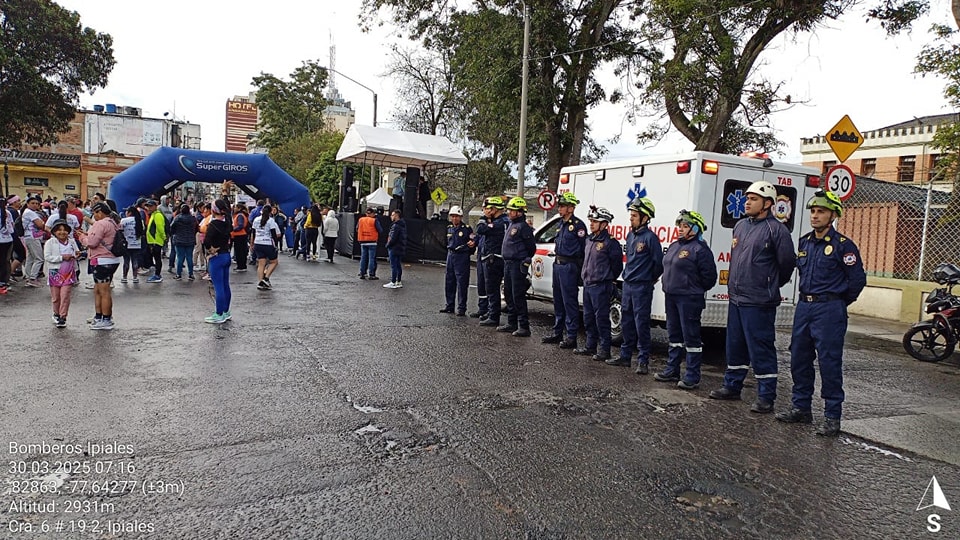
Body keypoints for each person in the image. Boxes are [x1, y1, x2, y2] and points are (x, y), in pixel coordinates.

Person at [776, 190, 866, 436]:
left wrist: (836, 302)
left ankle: (832, 416)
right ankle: (801, 408)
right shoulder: (804, 242)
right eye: (813, 211)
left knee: (829, 362)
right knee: (799, 358)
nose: (815, 216)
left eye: (821, 212)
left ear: (833, 215)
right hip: (805, 307)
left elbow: (856, 280)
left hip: (829, 309)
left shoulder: (843, 246)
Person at [709, 181, 796, 413]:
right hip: (737, 298)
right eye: (747, 198)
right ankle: (732, 386)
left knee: (761, 347)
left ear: (768, 204)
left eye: (754, 199)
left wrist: (769, 284)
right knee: (734, 345)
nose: (747, 202)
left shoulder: (777, 230)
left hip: (759, 301)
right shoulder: (740, 226)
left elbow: (787, 264)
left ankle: (766, 396)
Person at [653, 210, 718, 389]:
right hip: (671, 296)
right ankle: (672, 370)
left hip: (689, 299)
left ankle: (692, 375)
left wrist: (692, 288)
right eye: (680, 226)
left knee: (691, 338)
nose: (681, 229)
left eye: (685, 226)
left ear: (696, 229)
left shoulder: (700, 249)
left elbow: (709, 277)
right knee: (674, 335)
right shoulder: (675, 245)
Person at [609, 197, 663, 372]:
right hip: (628, 285)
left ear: (645, 218)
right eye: (631, 215)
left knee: (641, 324)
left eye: (634, 215)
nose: (631, 218)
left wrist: (648, 278)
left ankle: (643, 361)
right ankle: (625, 357)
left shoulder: (650, 238)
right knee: (627, 322)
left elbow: (658, 264)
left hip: (642, 287)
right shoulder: (631, 235)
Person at [575, 207, 624, 361]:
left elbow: (617, 265)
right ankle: (590, 346)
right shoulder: (589, 239)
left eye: (595, 221)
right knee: (588, 317)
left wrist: (607, 278)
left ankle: (605, 349)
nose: (591, 224)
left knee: (601, 319)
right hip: (588, 284)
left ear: (604, 224)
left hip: (601, 285)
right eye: (591, 221)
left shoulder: (610, 242)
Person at [541, 192, 587, 349]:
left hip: (569, 266)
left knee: (569, 302)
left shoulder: (578, 226)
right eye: (559, 206)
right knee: (558, 301)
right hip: (558, 264)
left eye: (562, 206)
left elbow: (582, 250)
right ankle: (557, 332)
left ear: (571, 208)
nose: (559, 209)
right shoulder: (561, 224)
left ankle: (571, 336)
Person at [498, 197, 536, 337]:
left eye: (512, 210)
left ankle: (523, 326)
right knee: (508, 293)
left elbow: (531, 248)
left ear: (519, 212)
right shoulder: (511, 225)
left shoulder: (523, 227)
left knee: (517, 295)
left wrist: (525, 260)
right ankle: (511, 322)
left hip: (517, 264)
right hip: (508, 264)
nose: (509, 212)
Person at [84, 201, 121, 330]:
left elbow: (92, 242)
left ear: (99, 212)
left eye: (95, 213)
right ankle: (99, 316)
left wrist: (83, 238)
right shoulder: (113, 222)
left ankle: (106, 319)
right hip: (112, 259)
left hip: (102, 260)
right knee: (99, 290)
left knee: (103, 291)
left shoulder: (101, 224)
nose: (94, 216)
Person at [473, 196, 510, 327]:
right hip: (495, 257)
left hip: (495, 258)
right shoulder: (503, 221)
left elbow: (481, 229)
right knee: (491, 288)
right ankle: (491, 312)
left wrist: (483, 219)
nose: (486, 211)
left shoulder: (500, 222)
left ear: (494, 209)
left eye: (488, 209)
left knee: (493, 288)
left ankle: (494, 316)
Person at [44, 220, 80, 327]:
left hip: (69, 274)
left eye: (65, 230)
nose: (62, 232)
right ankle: (56, 313)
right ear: (54, 232)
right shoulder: (50, 243)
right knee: (56, 297)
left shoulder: (72, 242)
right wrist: (62, 258)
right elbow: (47, 257)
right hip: (55, 273)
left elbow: (77, 252)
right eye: (59, 230)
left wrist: (76, 255)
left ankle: (63, 317)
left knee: (65, 295)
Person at [203, 199, 234, 324]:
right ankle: (226, 311)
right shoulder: (227, 223)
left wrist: (211, 250)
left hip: (217, 257)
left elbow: (206, 241)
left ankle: (219, 313)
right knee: (225, 285)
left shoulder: (213, 224)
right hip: (226, 255)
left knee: (218, 287)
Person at [439, 205, 474, 315]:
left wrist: (468, 249)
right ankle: (449, 305)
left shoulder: (467, 229)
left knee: (462, 283)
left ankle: (461, 308)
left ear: (461, 217)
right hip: (451, 255)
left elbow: (472, 244)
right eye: (453, 216)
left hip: (462, 256)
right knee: (449, 281)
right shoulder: (449, 228)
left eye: (457, 216)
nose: (455, 219)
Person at [251, 204, 281, 290]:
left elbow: (253, 232)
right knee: (274, 262)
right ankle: (266, 278)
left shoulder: (256, 219)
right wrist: (275, 245)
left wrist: (252, 243)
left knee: (261, 264)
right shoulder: (271, 220)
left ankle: (260, 282)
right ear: (270, 211)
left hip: (258, 242)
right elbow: (273, 234)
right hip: (267, 243)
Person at [20, 196, 46, 288]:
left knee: (30, 258)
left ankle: (28, 277)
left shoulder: (27, 212)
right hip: (33, 237)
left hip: (28, 237)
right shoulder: (30, 213)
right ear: (27, 204)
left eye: (37, 203)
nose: (35, 205)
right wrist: (42, 223)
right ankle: (32, 278)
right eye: (33, 203)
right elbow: (40, 225)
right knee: (39, 258)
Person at [170, 204, 198, 280]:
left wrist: (174, 234)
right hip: (190, 240)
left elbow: (171, 227)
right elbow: (197, 228)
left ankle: (178, 274)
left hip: (179, 240)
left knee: (179, 257)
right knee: (189, 257)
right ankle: (191, 274)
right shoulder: (193, 218)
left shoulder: (177, 218)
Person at [144, 199, 167, 283]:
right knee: (156, 258)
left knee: (157, 259)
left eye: (150, 206)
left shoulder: (157, 215)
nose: (149, 208)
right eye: (148, 206)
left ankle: (157, 275)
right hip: (153, 241)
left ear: (155, 206)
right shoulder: (153, 214)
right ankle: (157, 275)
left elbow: (160, 228)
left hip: (156, 241)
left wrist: (164, 238)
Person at [119, 206, 144, 284]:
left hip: (126, 244)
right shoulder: (139, 221)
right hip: (136, 244)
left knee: (126, 261)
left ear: (129, 212)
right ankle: (135, 277)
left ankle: (124, 277)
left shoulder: (124, 220)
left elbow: (119, 231)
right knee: (135, 260)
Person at [357, 207, 382, 279]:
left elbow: (357, 228)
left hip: (362, 241)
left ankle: (362, 273)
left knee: (363, 258)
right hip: (372, 242)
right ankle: (371, 274)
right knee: (372, 258)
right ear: (373, 213)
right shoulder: (374, 220)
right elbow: (380, 230)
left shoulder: (360, 220)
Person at [384, 209, 407, 288]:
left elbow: (392, 238)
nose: (391, 216)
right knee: (398, 265)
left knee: (393, 265)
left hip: (394, 248)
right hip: (400, 247)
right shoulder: (402, 225)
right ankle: (398, 281)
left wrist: (387, 245)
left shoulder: (395, 226)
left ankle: (393, 282)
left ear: (396, 216)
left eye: (392, 215)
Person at [231, 202, 250, 272]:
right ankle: (241, 265)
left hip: (239, 235)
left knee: (240, 251)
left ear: (239, 208)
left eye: (236, 207)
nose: (234, 208)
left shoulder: (240, 216)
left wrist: (233, 229)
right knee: (241, 251)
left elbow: (240, 225)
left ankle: (241, 266)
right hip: (241, 235)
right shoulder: (241, 215)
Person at [0, 197, 13, 294]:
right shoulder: (8, 213)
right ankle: (3, 282)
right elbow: (11, 229)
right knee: (5, 261)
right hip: (8, 240)